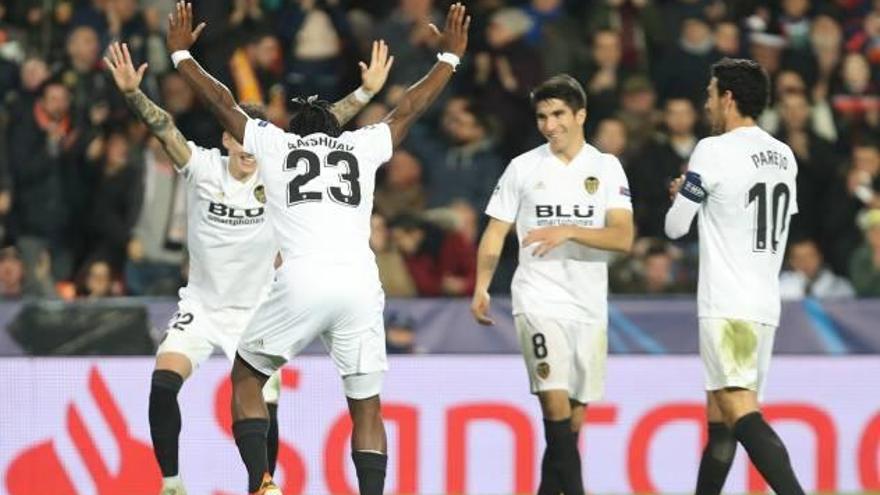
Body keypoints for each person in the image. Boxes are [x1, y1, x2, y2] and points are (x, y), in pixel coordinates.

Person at [165, 2, 468, 494]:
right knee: (366, 405)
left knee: (247, 374)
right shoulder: (361, 147)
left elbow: (224, 102)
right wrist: (449, 60)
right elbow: (409, 107)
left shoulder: (277, 146)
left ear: (296, 132)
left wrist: (181, 55)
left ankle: (262, 481)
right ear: (336, 132)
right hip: (359, 284)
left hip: (304, 278)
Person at [105, 34, 391, 495]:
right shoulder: (202, 167)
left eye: (252, 142)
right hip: (203, 304)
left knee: (263, 403)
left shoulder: (280, 170)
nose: (245, 148)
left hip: (260, 307)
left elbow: (318, 130)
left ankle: (262, 484)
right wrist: (133, 93)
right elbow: (163, 129)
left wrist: (365, 94)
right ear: (225, 135)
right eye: (237, 138)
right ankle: (172, 483)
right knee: (162, 383)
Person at [471, 74, 634, 495]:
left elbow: (623, 238)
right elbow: (495, 232)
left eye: (558, 114)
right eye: (542, 116)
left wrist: (569, 230)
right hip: (538, 297)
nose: (549, 124)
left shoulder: (606, 167)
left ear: (580, 115)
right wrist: (482, 285)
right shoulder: (523, 167)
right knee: (553, 402)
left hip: (589, 303)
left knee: (570, 426)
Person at [664, 58, 804, 495]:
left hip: (727, 304)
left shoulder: (713, 150)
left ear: (727, 98)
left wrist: (684, 194)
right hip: (764, 303)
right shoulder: (784, 156)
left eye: (709, 94)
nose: (706, 104)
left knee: (739, 408)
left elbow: (675, 227)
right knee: (721, 422)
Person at [780, 238, 854, 300]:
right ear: (791, 262)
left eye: (810, 256)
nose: (805, 262)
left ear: (820, 257)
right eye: (798, 258)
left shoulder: (841, 286)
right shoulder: (779, 287)